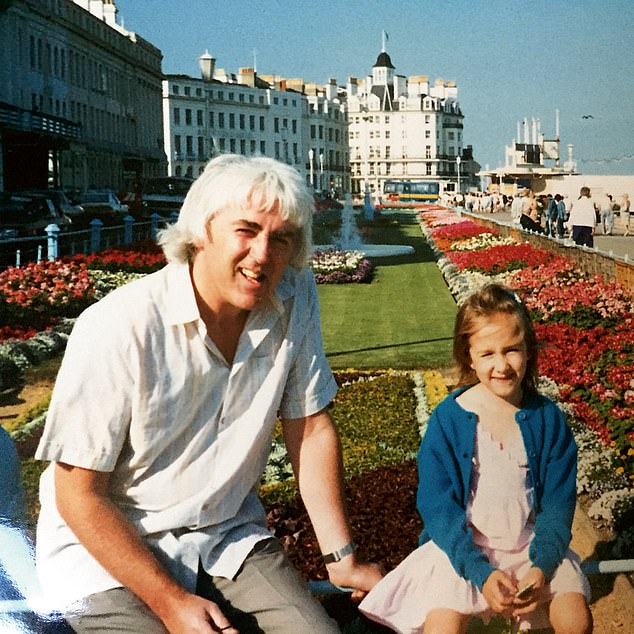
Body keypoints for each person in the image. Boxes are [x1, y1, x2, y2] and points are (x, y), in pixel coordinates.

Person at [35, 154, 382, 633]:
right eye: (246, 230)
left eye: (281, 239)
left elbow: (310, 426)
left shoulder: (293, 295)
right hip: (106, 551)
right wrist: (171, 602)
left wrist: (341, 558)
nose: (263, 255)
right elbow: (76, 495)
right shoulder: (120, 325)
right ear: (202, 231)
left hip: (224, 534)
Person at [359, 284, 592, 634]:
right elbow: (438, 507)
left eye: (512, 350)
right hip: (466, 551)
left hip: (531, 546)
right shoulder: (450, 419)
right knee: (443, 625)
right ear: (468, 356)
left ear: (528, 350)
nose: (502, 365)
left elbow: (558, 506)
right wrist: (480, 572)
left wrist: (541, 568)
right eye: (487, 354)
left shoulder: (547, 419)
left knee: (576, 620)